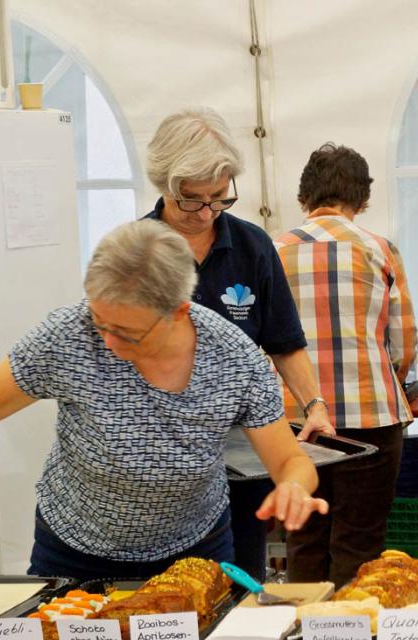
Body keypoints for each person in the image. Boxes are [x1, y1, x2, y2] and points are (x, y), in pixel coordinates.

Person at [0, 220, 327, 580]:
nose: (108, 342)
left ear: (179, 312)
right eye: (99, 322)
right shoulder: (67, 334)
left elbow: (288, 460)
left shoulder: (234, 357)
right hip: (74, 549)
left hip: (194, 550)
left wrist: (294, 487)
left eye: (128, 334)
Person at [144, 108, 333, 579]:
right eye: (192, 200)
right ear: (165, 186)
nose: (207, 212)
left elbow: (283, 343)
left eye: (219, 198)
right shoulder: (136, 251)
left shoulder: (252, 247)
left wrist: (314, 405)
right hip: (164, 457)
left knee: (237, 575)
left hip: (244, 452)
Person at [275, 143, 417, 588]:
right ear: (362, 199)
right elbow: (404, 343)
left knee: (302, 538)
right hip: (371, 415)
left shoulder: (270, 251)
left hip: (293, 423)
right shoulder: (380, 249)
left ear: (304, 198)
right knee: (360, 542)